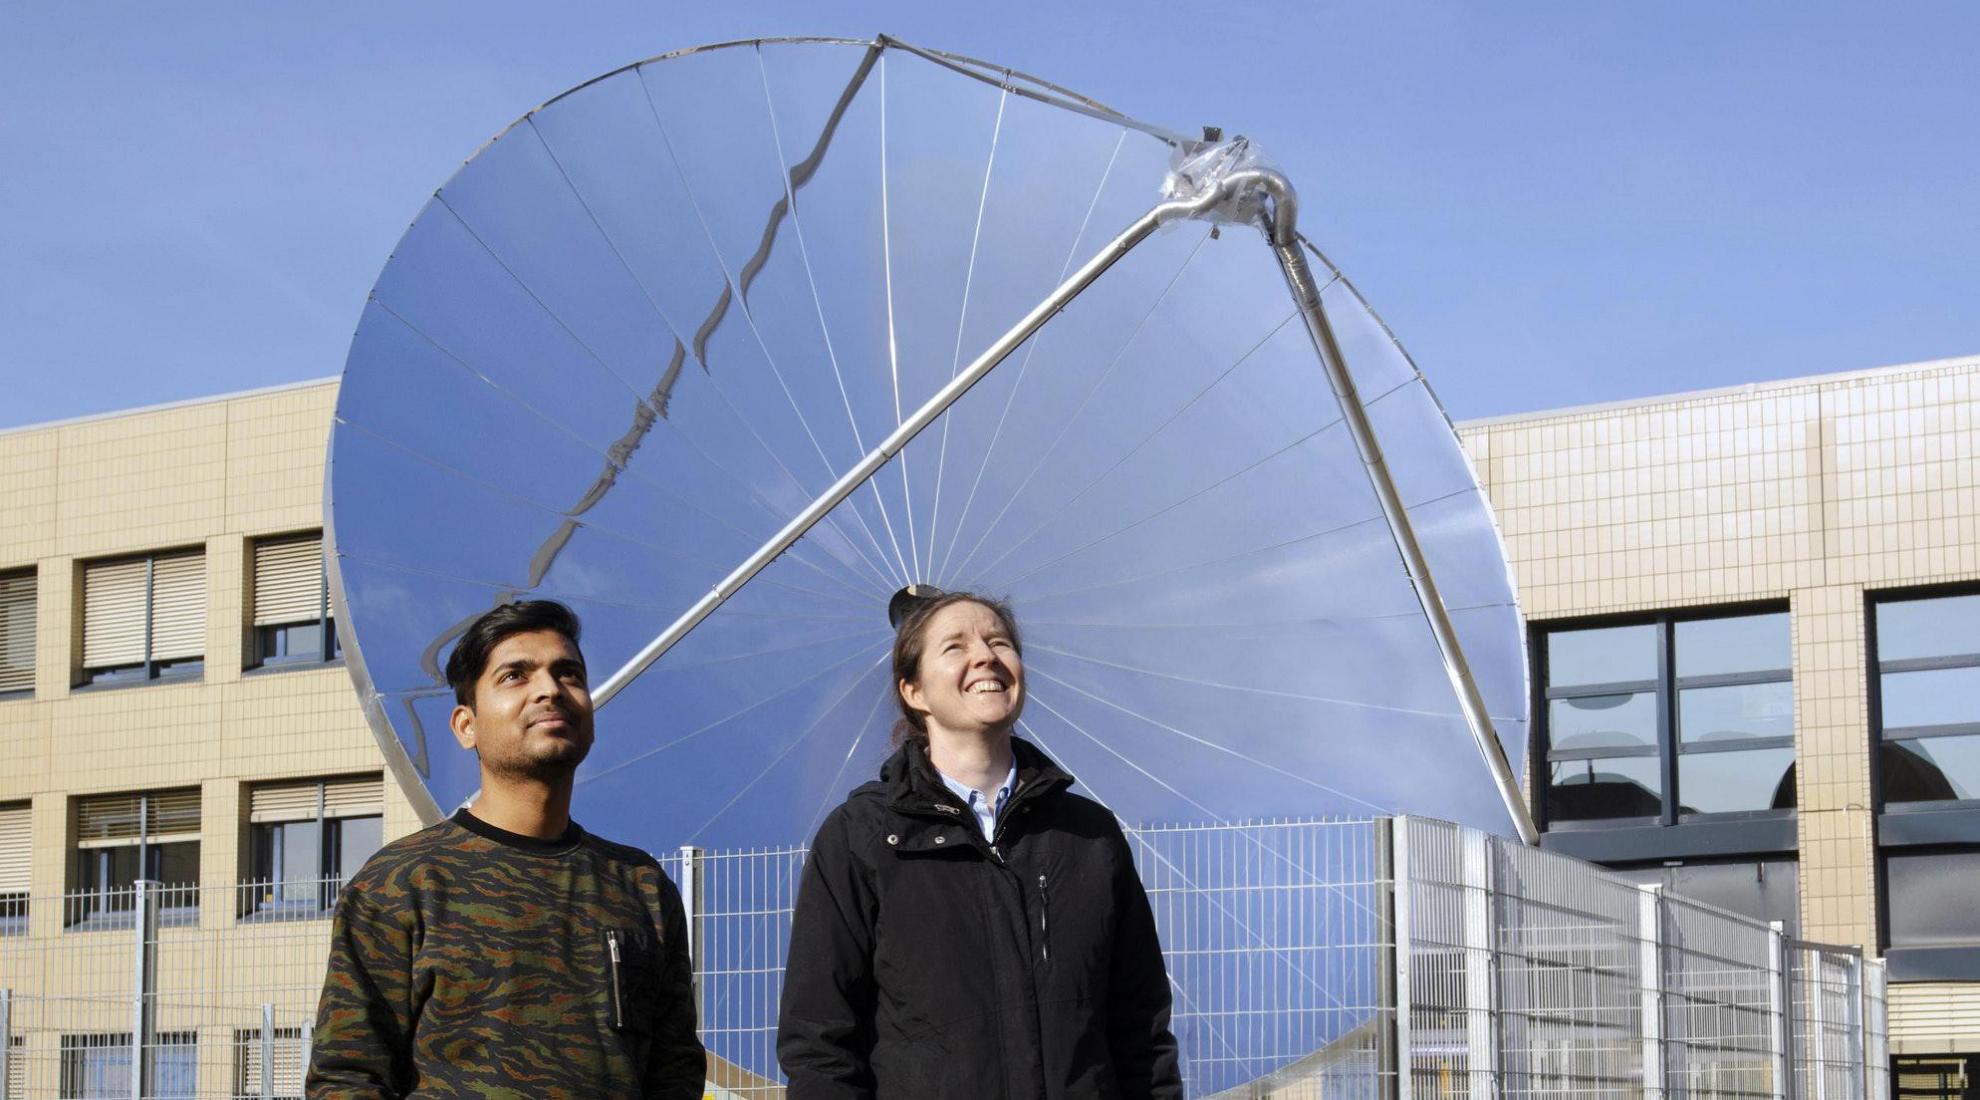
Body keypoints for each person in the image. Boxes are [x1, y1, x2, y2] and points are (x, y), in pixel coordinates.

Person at [778, 590, 1182, 1099]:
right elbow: (819, 1044)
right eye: (954, 646)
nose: (986, 656)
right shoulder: (862, 837)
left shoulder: (1088, 836)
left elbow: (1141, 1032)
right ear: (914, 691)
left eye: (1000, 642)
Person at [307, 600, 705, 1099]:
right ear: (465, 726)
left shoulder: (640, 886)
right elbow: (348, 1076)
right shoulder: (401, 883)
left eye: (569, 674)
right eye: (516, 675)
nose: (549, 690)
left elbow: (675, 1073)